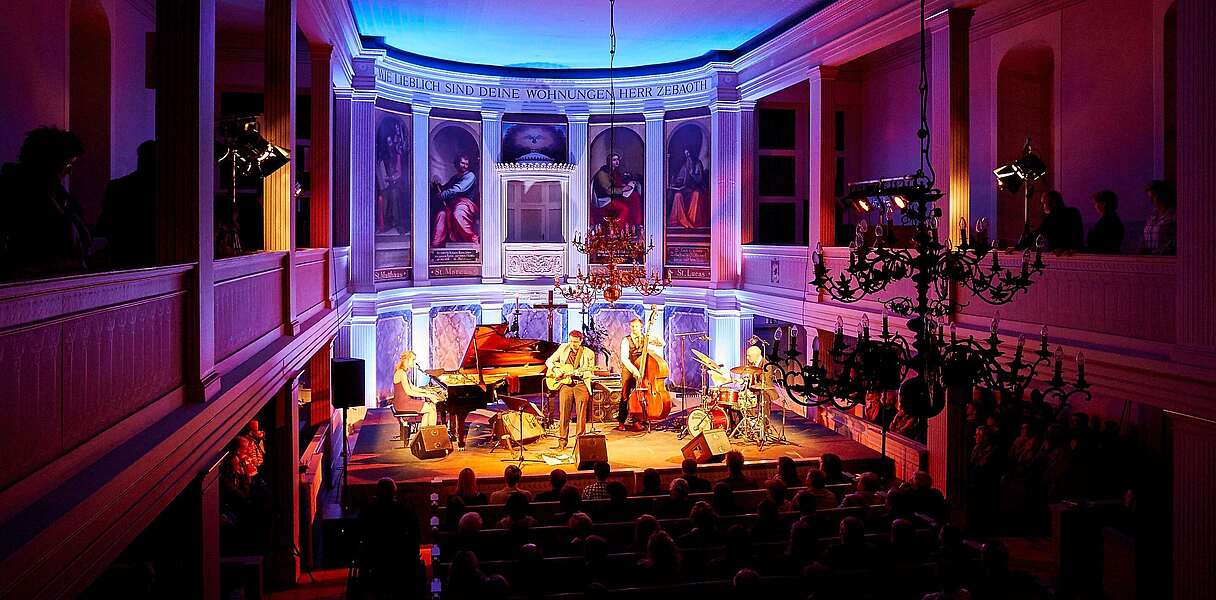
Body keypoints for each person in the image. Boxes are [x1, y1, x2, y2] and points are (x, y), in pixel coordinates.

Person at [0, 127, 91, 280]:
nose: (70, 172)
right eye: (68, 164)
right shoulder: (13, 193)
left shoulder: (60, 196)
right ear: (51, 162)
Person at [358, 478, 423, 598]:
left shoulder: (368, 512)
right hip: (400, 560)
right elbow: (416, 536)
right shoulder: (404, 511)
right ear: (394, 492)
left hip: (375, 559)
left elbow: (360, 535)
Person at [97, 140, 156, 268]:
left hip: (122, 257)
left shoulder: (118, 187)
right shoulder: (171, 192)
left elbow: (105, 223)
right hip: (153, 258)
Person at [544, 330, 596, 450]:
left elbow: (590, 372)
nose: (573, 344)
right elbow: (549, 361)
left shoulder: (589, 353)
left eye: (576, 342)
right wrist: (555, 370)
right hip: (566, 384)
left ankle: (580, 444)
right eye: (571, 341)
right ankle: (562, 442)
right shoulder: (563, 348)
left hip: (581, 384)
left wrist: (580, 373)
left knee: (581, 415)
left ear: (581, 341)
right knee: (564, 414)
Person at [617, 317, 665, 431]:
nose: (634, 328)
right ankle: (621, 421)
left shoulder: (646, 337)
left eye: (637, 326)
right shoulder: (626, 340)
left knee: (641, 394)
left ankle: (637, 420)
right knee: (625, 394)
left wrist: (651, 333)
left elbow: (662, 343)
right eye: (632, 326)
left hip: (643, 368)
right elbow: (624, 358)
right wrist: (635, 371)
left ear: (641, 327)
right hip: (629, 369)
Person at [430, 153, 479, 247]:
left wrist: (443, 194)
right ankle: (436, 244)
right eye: (462, 163)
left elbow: (458, 189)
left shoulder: (470, 176)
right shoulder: (455, 177)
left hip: (466, 203)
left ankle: (473, 238)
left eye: (466, 164)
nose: (464, 166)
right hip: (452, 204)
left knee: (458, 213)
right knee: (441, 215)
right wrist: (438, 185)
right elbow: (446, 188)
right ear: (457, 163)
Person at [392, 350, 443, 428]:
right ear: (407, 360)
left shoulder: (402, 372)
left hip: (402, 402)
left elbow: (412, 387)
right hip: (403, 404)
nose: (414, 362)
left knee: (429, 408)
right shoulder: (401, 373)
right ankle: (431, 435)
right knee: (432, 409)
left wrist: (426, 391)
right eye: (413, 359)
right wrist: (427, 395)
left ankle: (423, 434)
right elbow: (409, 392)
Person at [375, 117, 408, 235]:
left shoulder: (397, 155)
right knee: (384, 197)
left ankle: (398, 223)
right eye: (388, 142)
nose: (390, 145)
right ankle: (386, 223)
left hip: (396, 183)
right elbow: (381, 172)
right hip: (386, 184)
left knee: (395, 195)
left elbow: (399, 173)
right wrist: (385, 181)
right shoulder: (382, 158)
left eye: (391, 142)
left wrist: (391, 179)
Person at [591, 152, 643, 228]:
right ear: (609, 162)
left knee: (634, 198)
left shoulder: (614, 171)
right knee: (624, 209)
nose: (617, 161)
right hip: (604, 200)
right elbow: (608, 190)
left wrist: (624, 185)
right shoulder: (602, 173)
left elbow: (616, 183)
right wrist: (623, 189)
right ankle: (618, 230)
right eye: (614, 160)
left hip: (613, 196)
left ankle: (634, 225)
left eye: (618, 159)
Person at [667, 148, 705, 229]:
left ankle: (692, 220)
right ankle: (680, 219)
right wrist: (676, 183)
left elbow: (700, 179)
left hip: (695, 188)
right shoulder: (685, 165)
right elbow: (680, 178)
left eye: (688, 153)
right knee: (677, 195)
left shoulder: (698, 163)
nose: (688, 156)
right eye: (686, 154)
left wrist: (692, 175)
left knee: (696, 194)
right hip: (685, 189)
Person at [1140, 180, 1176, 255]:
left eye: (1154, 196)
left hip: (1166, 259)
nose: (1151, 200)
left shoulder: (1174, 216)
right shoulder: (1152, 216)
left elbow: (1174, 240)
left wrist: (1158, 252)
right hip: (1150, 260)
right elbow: (1145, 237)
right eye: (1149, 197)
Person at [1086, 190, 1124, 254]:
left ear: (1103, 204)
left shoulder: (1106, 222)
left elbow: (1098, 245)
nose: (1095, 206)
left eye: (1096, 203)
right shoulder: (1115, 220)